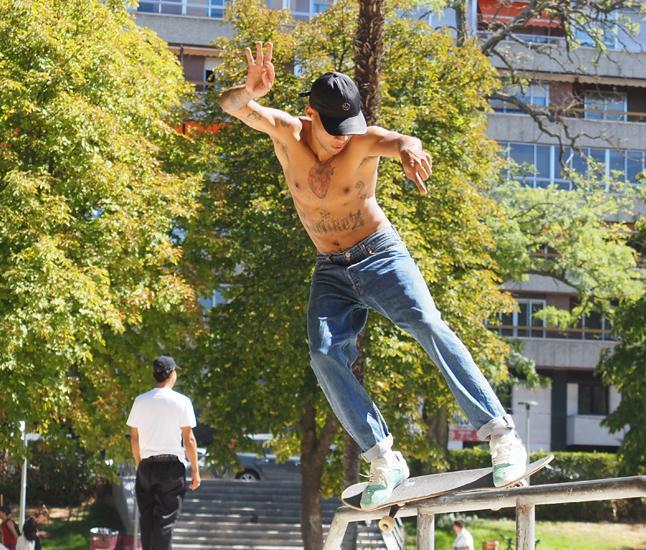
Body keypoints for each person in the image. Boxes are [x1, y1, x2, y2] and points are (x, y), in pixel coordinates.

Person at [218, 42, 528, 509]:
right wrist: (249, 90)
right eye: (334, 128)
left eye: (351, 126)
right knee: (323, 355)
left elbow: (397, 139)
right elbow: (231, 107)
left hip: (381, 256)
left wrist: (410, 151)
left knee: (427, 324)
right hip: (330, 271)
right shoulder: (285, 131)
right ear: (309, 113)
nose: (344, 138)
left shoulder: (361, 141)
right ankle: (383, 456)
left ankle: (502, 435)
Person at [127, 355, 201, 550]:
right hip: (171, 467)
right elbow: (189, 439)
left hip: (146, 466)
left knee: (148, 519)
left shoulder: (140, 401)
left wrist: (138, 464)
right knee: (164, 521)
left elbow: (134, 438)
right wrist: (195, 470)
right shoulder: (182, 401)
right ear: (171, 374)